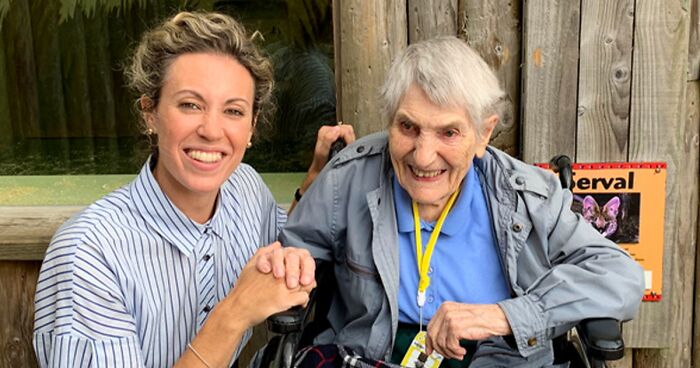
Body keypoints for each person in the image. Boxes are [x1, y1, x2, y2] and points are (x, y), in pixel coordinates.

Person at [262, 36, 645, 367]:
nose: (423, 156)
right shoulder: (348, 177)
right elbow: (294, 252)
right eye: (407, 127)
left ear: (483, 134)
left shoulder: (528, 196)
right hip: (372, 357)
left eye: (448, 132)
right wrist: (291, 265)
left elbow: (620, 276)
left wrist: (505, 315)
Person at [32, 11, 353, 368]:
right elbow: (248, 296)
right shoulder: (88, 253)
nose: (212, 130)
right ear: (149, 112)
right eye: (190, 105)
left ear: (252, 126)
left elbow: (279, 245)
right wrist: (234, 314)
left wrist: (314, 181)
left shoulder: (245, 189)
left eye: (233, 111)